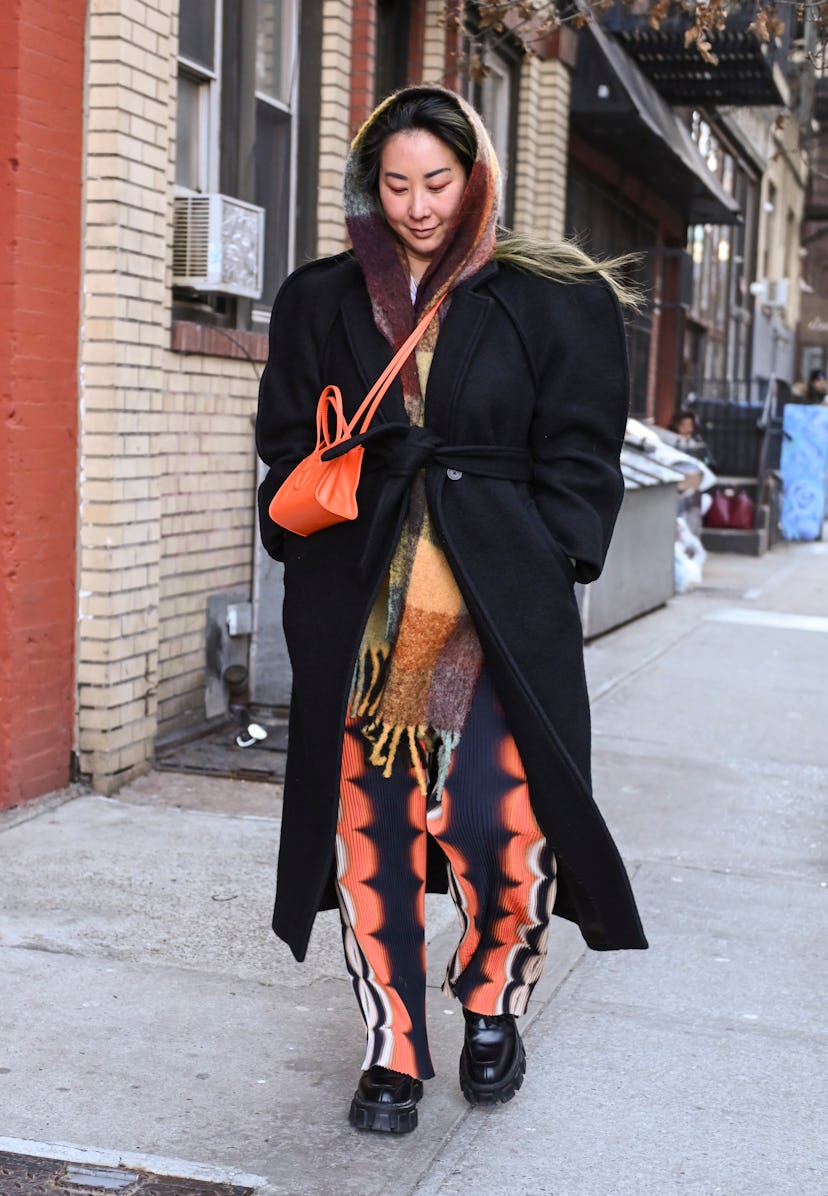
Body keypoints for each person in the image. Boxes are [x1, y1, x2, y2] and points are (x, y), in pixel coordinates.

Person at [256, 85, 647, 1136]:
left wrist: (553, 553)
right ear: (366, 185)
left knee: (501, 824)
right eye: (396, 185)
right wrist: (298, 533)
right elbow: (286, 441)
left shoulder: (553, 295)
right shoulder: (320, 297)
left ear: (476, 177)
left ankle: (489, 1001)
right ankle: (391, 1046)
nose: (419, 207)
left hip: (499, 605)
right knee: (367, 833)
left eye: (438, 181)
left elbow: (583, 452)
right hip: (360, 600)